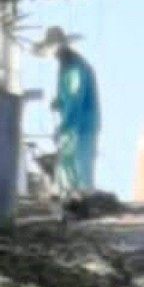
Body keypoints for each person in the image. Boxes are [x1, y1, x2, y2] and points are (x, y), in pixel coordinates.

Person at [37, 27, 100, 196]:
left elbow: (74, 99)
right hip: (75, 125)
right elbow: (68, 96)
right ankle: (74, 201)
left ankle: (84, 201)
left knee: (79, 167)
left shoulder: (74, 67)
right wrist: (58, 102)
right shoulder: (67, 66)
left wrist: (63, 126)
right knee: (69, 166)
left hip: (80, 126)